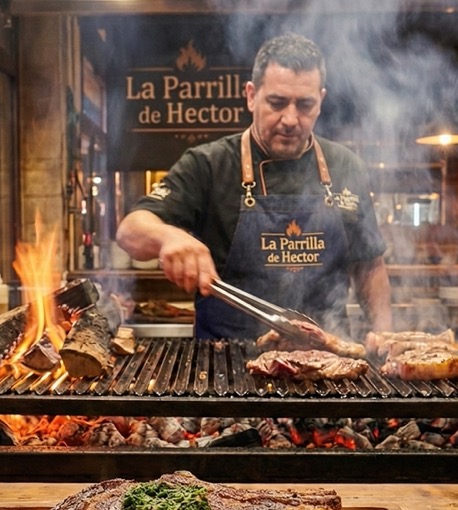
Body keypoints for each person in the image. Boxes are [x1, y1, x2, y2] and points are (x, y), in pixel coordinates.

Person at [116, 33, 392, 339]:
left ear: (321, 102)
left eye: (304, 105)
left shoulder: (345, 166)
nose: (290, 118)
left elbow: (369, 266)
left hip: (327, 365)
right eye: (276, 103)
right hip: (224, 368)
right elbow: (131, 231)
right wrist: (167, 236)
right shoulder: (208, 164)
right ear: (251, 95)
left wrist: (385, 336)